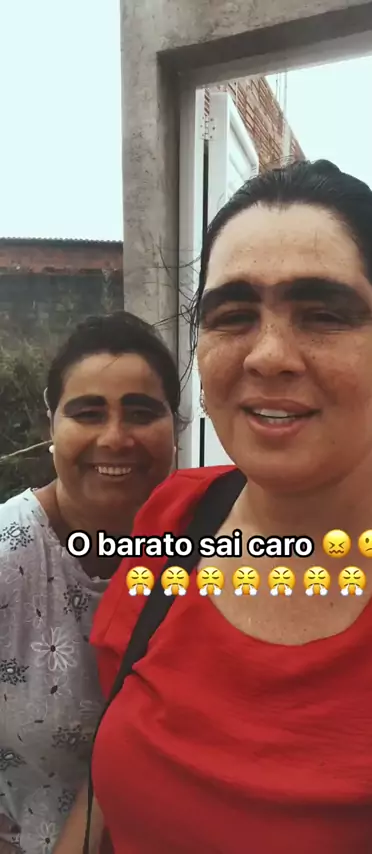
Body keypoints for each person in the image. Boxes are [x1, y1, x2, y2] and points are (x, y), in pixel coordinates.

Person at [59, 161, 372, 854]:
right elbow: (108, 771)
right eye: (233, 316)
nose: (269, 356)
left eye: (323, 314)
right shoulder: (174, 517)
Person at [0, 311, 181, 853]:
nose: (116, 437)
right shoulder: (9, 559)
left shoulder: (208, 544)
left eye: (142, 413)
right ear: (50, 424)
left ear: (176, 426)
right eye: (88, 413)